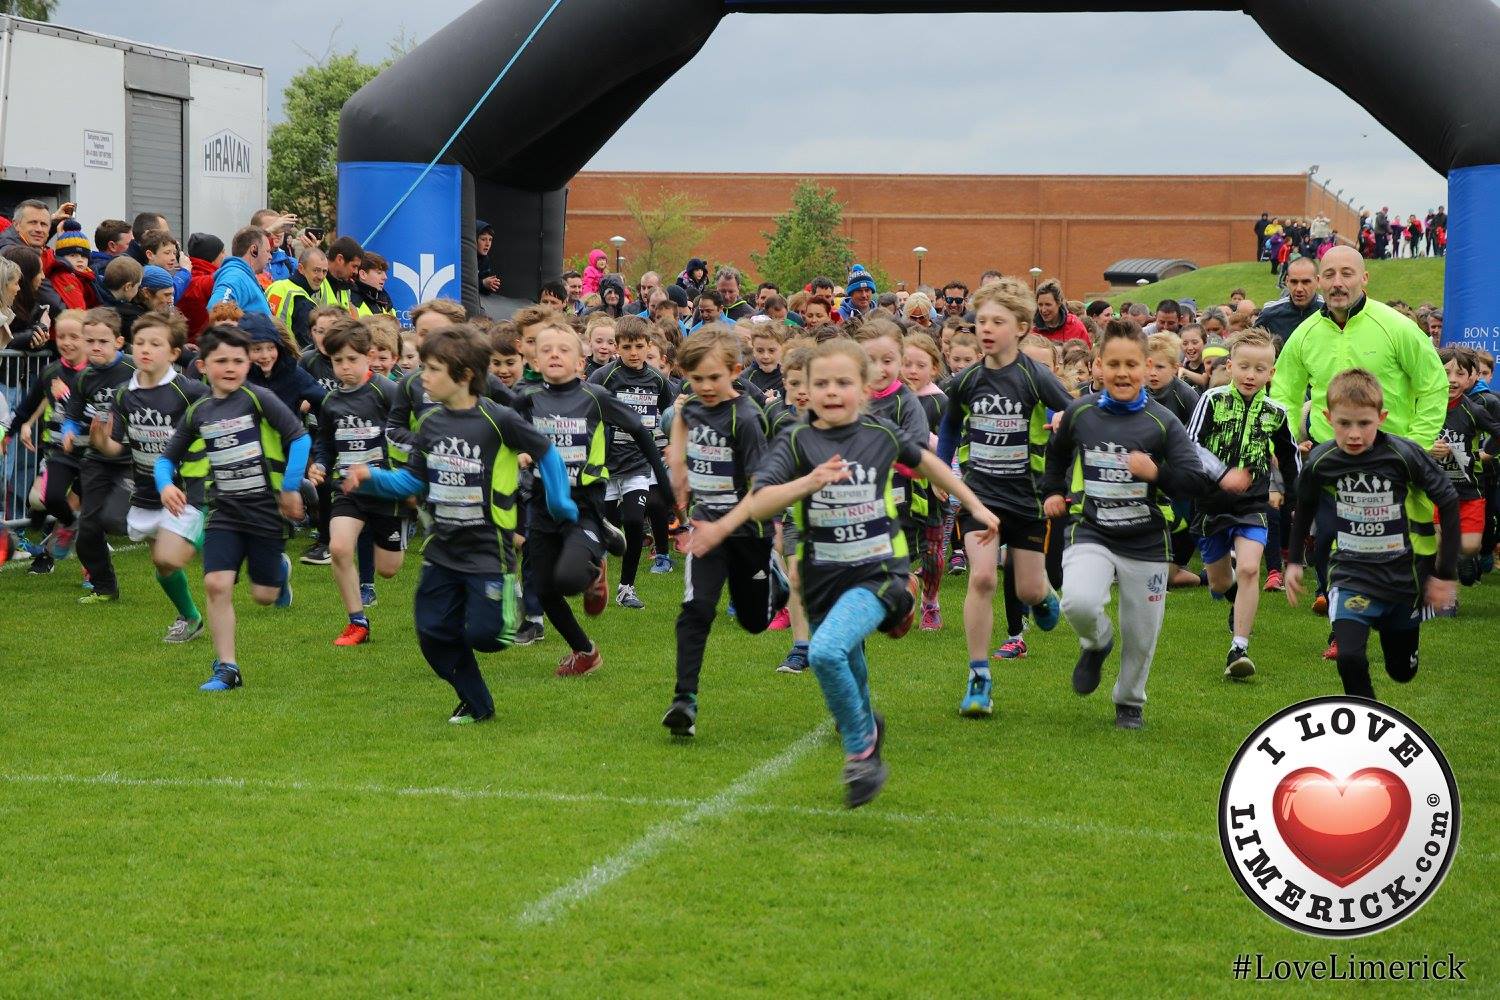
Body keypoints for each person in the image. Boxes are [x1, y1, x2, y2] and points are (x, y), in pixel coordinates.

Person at [689, 337, 998, 808]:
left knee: (826, 651)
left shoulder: (880, 435)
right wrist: (806, 483)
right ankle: (868, 719)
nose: (832, 391)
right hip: (820, 576)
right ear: (806, 390)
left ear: (865, 388)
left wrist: (974, 504)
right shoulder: (795, 439)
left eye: (843, 382)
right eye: (822, 383)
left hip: (877, 571)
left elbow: (929, 464)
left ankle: (861, 751)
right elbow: (762, 501)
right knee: (847, 656)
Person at [346, 325, 576, 723]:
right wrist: (372, 478)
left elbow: (546, 453)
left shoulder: (498, 418)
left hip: (488, 547)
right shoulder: (430, 423)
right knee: (432, 633)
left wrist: (559, 502)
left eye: (433, 369)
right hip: (442, 549)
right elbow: (413, 481)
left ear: (465, 375)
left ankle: (509, 607)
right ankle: (476, 703)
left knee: (487, 636)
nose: (423, 376)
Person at [1042, 319, 1223, 730]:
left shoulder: (1163, 421)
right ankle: (1097, 642)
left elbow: (1195, 480)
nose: (1122, 373)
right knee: (1077, 602)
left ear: (1146, 367)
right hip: (1092, 530)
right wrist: (1052, 490)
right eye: (1113, 364)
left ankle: (1129, 702)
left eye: (1131, 364)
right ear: (1098, 366)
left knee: (1141, 635)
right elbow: (1057, 451)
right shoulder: (1081, 412)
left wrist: (1156, 472)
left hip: (1146, 542)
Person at [937, 279, 1071, 714]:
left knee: (1028, 590)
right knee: (982, 578)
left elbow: (1070, 410)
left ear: (1022, 328)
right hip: (980, 498)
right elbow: (948, 428)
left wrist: (1061, 420)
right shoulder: (966, 380)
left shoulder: (1035, 375)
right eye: (981, 321)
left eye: (998, 321)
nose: (987, 329)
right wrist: (942, 472)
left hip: (1027, 500)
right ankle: (978, 677)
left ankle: (1044, 596)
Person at [1284, 369, 1458, 700]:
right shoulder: (1322, 460)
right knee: (1349, 657)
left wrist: (1444, 573)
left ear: (1381, 417)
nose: (1354, 434)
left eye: (1364, 423)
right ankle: (1367, 718)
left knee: (1401, 671)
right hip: (1352, 573)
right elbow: (1304, 505)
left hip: (1403, 578)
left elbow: (1448, 500)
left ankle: (1400, 641)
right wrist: (1294, 561)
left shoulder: (1403, 455)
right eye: (1344, 423)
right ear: (1328, 418)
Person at [156, 324, 309, 692]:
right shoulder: (198, 412)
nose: (230, 368)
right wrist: (165, 485)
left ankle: (278, 573)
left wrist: (290, 488)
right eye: (221, 361)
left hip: (265, 509)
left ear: (248, 363)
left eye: (238, 361)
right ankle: (228, 668)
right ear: (203, 366)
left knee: (263, 596)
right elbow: (166, 459)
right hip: (223, 510)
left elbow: (299, 438)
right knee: (216, 583)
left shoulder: (258, 398)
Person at [513, 315, 668, 676]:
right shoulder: (526, 400)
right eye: (546, 350)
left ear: (580, 362)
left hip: (584, 505)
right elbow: (505, 439)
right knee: (545, 589)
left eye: (563, 349)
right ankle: (585, 652)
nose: (554, 354)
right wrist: (518, 454)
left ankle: (594, 566)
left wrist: (664, 481)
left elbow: (640, 431)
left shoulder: (595, 398)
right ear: (534, 360)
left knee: (568, 580)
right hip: (540, 504)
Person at [661, 329, 789, 736]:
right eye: (696, 379)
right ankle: (684, 700)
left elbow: (760, 488)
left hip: (747, 533)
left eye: (714, 378)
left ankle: (776, 581)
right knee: (696, 608)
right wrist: (678, 466)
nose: (705, 386)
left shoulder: (746, 418)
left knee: (754, 622)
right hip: (704, 528)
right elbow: (682, 418)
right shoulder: (693, 407)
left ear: (735, 371)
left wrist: (727, 526)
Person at [86, 310, 209, 641]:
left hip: (187, 488)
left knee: (168, 556)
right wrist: (99, 440)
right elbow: (115, 447)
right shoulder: (123, 394)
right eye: (140, 342)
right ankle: (190, 618)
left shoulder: (189, 391)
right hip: (147, 491)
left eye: (156, 343)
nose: (145, 349)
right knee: (163, 563)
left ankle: (219, 531)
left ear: (173, 353)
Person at [1185, 329, 1299, 679]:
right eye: (1244, 367)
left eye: (1260, 369)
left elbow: (1290, 457)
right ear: (1230, 366)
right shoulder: (1212, 399)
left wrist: (1297, 499)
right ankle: (1233, 596)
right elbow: (1190, 444)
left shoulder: (1276, 412)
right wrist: (1222, 474)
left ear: (1271, 373)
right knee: (1219, 582)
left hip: (1253, 503)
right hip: (1210, 502)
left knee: (1250, 568)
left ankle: (1239, 649)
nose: (1251, 375)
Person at [306, 320, 404, 647]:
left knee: (389, 569)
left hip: (386, 489)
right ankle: (357, 622)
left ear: (369, 356)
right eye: (338, 361)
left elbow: (410, 433)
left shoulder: (386, 391)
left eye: (352, 359)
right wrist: (320, 464)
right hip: (348, 488)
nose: (345, 367)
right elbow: (325, 442)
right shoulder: (330, 401)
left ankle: (396, 531)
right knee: (339, 547)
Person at [588, 315, 675, 609]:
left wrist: (669, 442)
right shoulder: (604, 377)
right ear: (617, 347)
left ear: (649, 345)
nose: (634, 353)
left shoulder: (658, 380)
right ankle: (595, 577)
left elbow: (668, 414)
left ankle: (627, 589)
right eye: (626, 347)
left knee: (635, 522)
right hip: (607, 464)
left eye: (639, 346)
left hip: (638, 464)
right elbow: (586, 409)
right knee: (605, 528)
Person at [60, 309, 137, 604]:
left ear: (118, 342)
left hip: (130, 459)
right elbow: (73, 414)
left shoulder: (134, 369)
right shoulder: (84, 378)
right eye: (89, 341)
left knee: (113, 519)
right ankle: (105, 586)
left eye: (102, 341)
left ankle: (154, 518)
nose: (95, 347)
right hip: (96, 459)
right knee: (87, 532)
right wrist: (68, 432)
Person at [207, 226, 272, 315]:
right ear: (254, 250)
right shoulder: (235, 277)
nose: (270, 257)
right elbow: (216, 309)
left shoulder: (242, 276)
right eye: (267, 251)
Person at [1256, 256, 1322, 339]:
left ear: (1318, 281)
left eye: (1305, 282)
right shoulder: (1270, 314)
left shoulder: (1330, 313)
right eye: (1294, 282)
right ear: (1287, 281)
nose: (1299, 289)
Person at [1032, 280, 1091, 346]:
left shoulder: (1075, 327)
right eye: (1040, 305)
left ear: (1059, 303)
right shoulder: (1032, 330)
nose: (1043, 310)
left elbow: (1086, 351)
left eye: (1048, 304)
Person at [476, 221, 501, 295]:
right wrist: (482, 283)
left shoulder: (485, 259)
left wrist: (490, 285)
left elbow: (484, 291)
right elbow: (464, 284)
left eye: (490, 240)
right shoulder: (464, 258)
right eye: (483, 239)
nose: (487, 244)